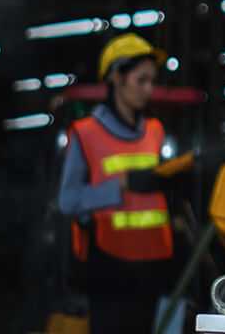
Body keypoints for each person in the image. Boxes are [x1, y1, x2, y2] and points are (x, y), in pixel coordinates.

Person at [57, 33, 179, 334]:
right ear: (115, 77)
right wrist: (120, 185)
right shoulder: (85, 134)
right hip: (109, 270)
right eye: (141, 80)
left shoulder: (155, 130)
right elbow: (68, 200)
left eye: (153, 81)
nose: (149, 89)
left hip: (155, 268)